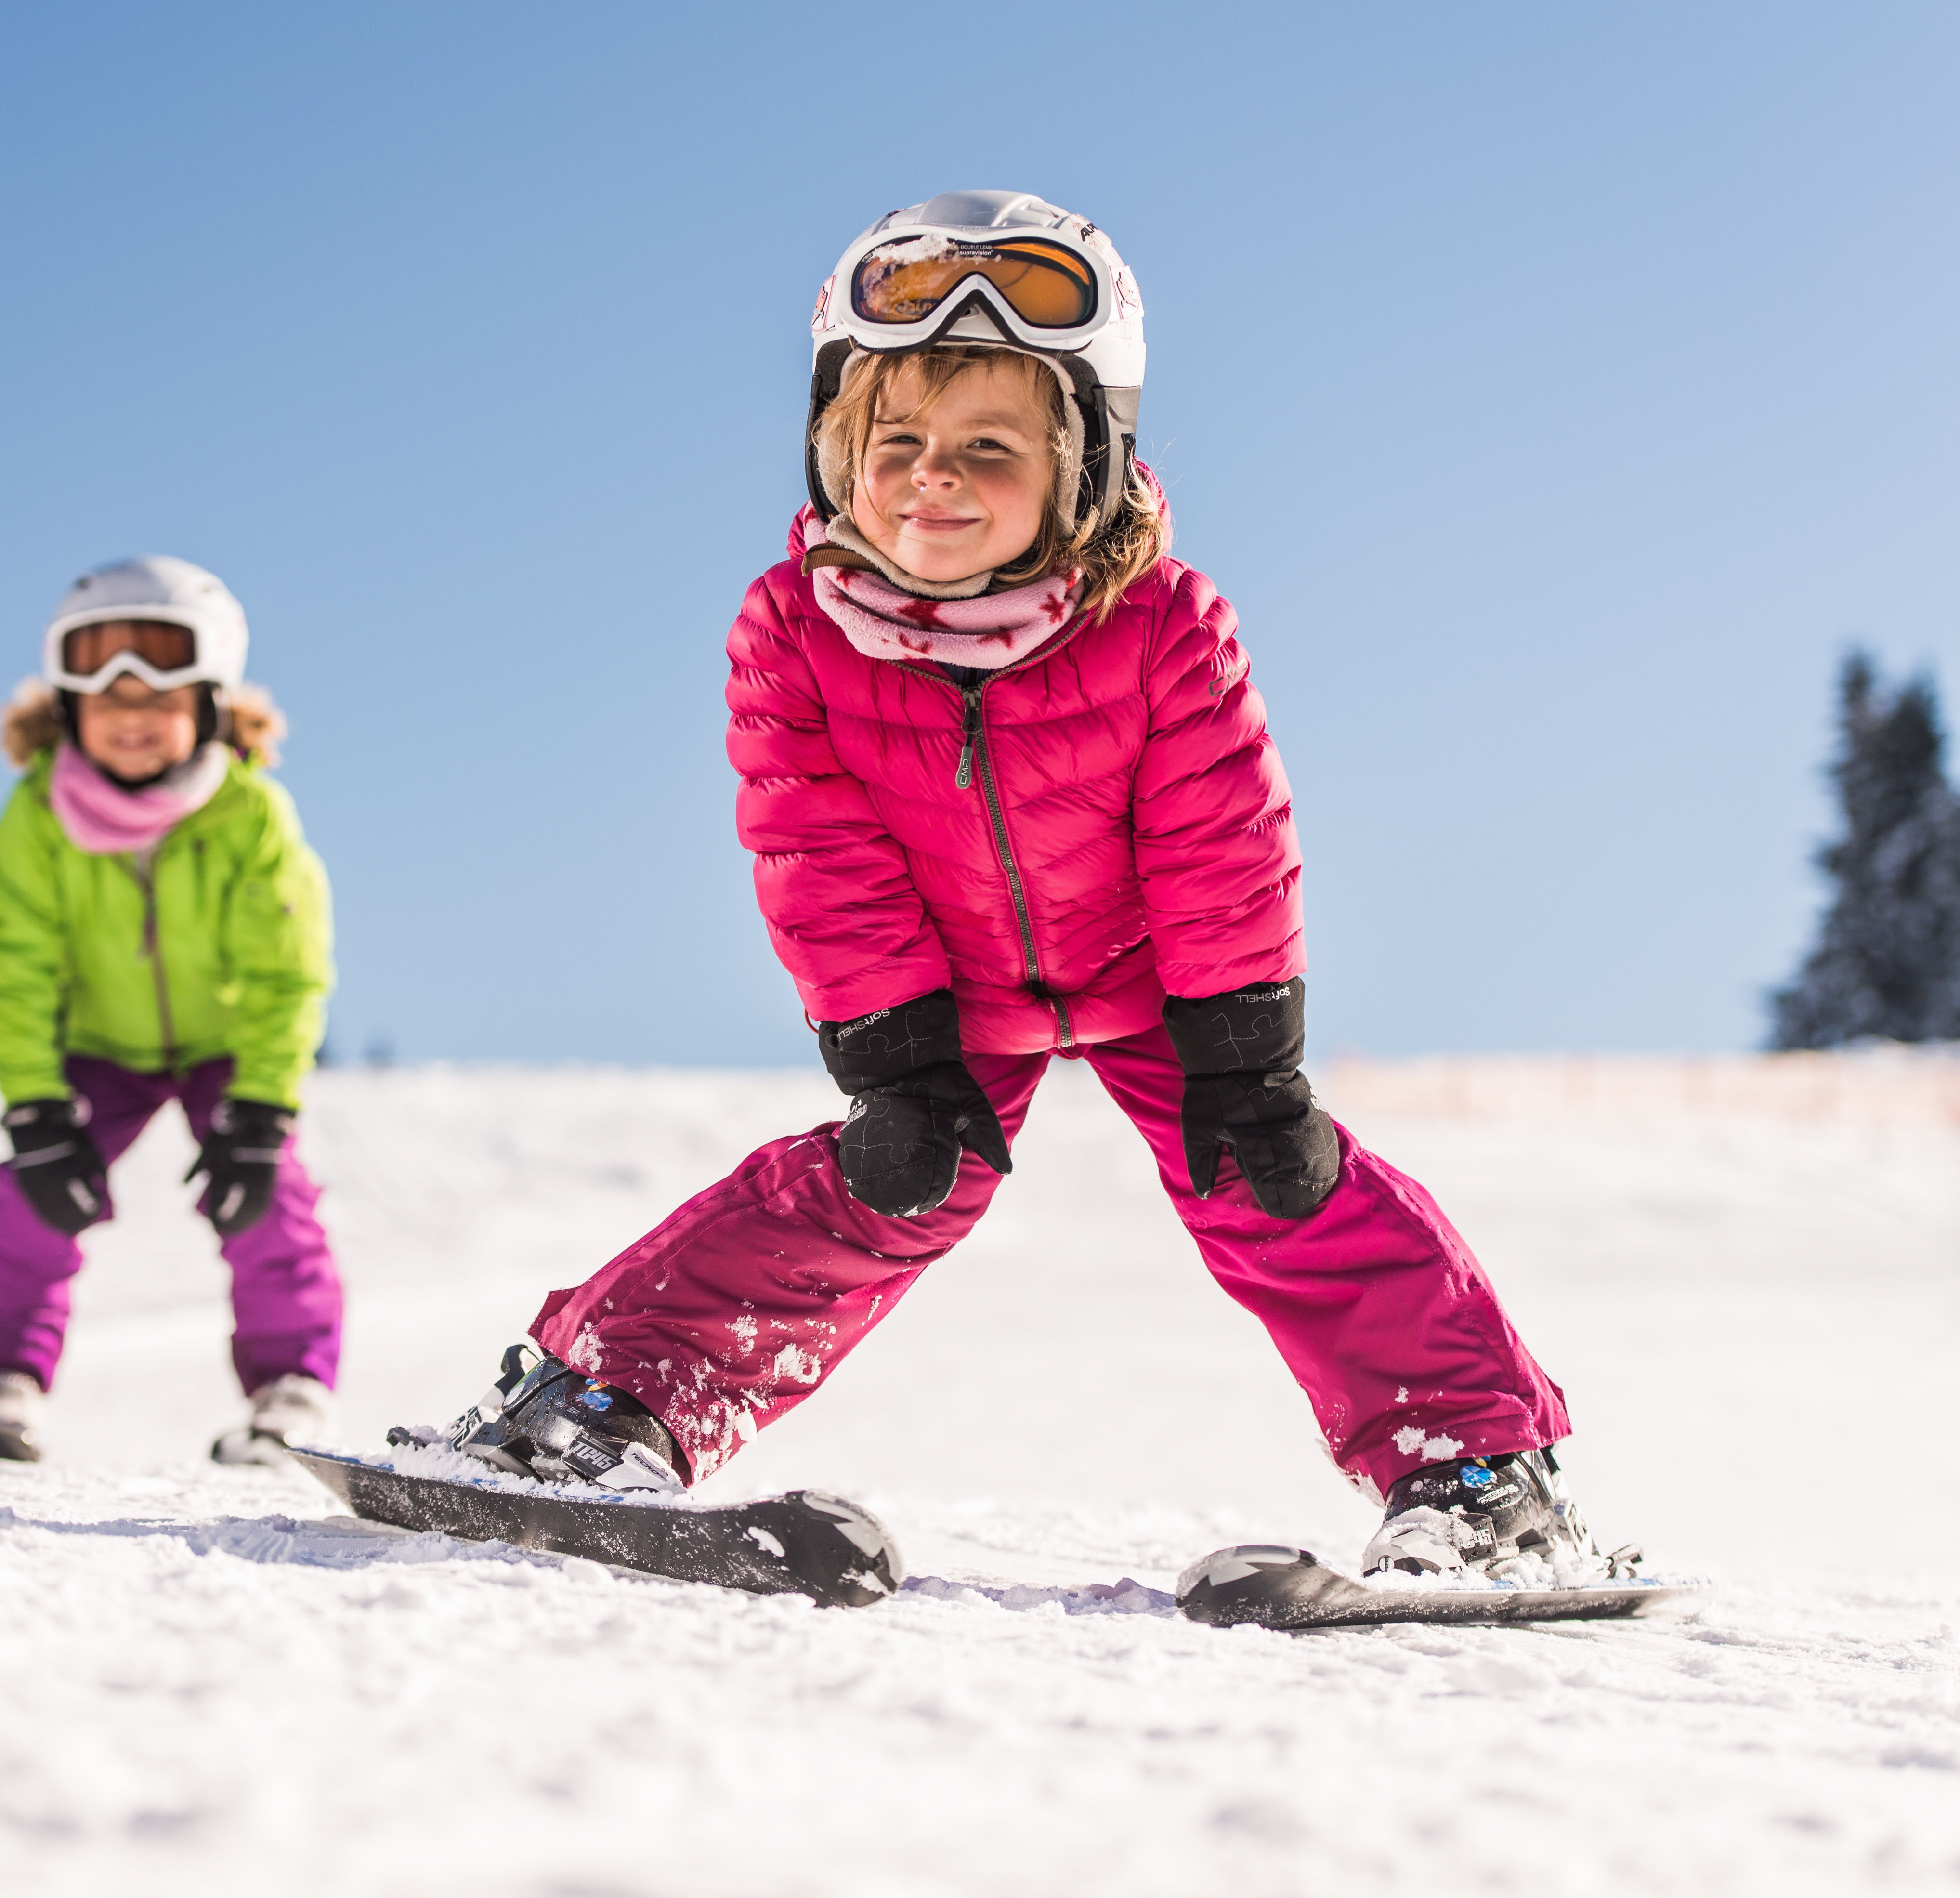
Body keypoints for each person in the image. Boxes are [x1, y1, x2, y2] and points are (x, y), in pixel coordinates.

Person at [435, 192, 1603, 1584]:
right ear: (832, 456)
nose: (934, 478)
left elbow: (1220, 835)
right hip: (952, 994)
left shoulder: (1159, 622)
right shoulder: (794, 634)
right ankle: (602, 1406)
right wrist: (899, 1059)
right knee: (884, 1187)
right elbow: (816, 848)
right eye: (897, 446)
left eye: (989, 448)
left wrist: (1245, 1054)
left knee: (1276, 1181)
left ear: (1085, 466)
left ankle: (1479, 1473)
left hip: (1160, 979)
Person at [0, 555, 342, 1466]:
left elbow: (288, 970)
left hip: (223, 1044)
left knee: (269, 1198)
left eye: (158, 705)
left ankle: (291, 1393)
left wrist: (261, 1108)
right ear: (67, 710)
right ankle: (1, 1385)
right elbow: (13, 969)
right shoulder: (36, 820)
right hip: (98, 1047)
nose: (133, 724)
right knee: (28, 1198)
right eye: (109, 705)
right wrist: (36, 1109)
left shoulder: (249, 818)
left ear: (207, 708)